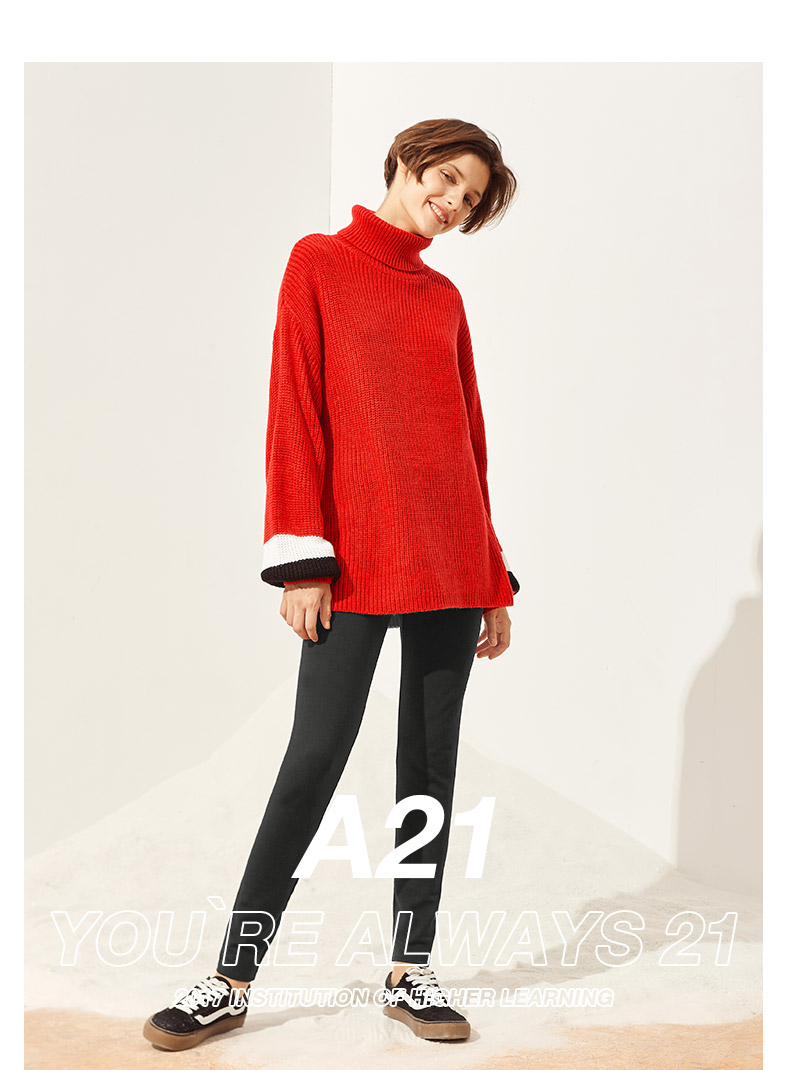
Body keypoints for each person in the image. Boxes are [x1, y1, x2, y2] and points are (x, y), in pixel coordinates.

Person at [143, 117, 520, 1051]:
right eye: (446, 178)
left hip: (451, 560)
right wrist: (302, 559)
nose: (451, 202)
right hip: (350, 562)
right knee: (313, 759)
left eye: (470, 198)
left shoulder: (444, 298)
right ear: (406, 160)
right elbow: (294, 412)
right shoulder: (318, 262)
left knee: (428, 768)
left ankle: (410, 968)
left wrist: (493, 575)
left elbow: (467, 442)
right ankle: (231, 979)